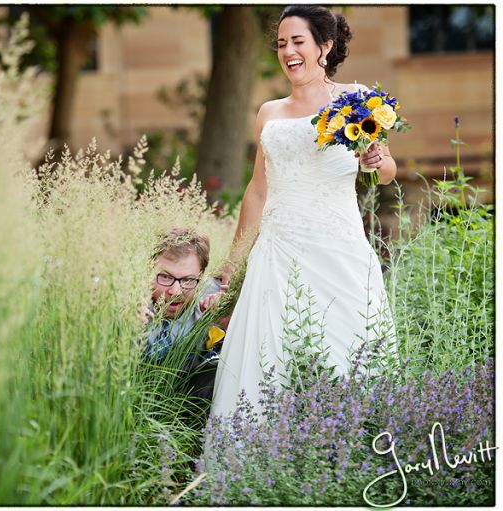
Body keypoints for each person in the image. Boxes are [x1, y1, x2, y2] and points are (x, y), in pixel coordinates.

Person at [210, 5, 397, 419]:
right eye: (281, 43)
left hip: (339, 252)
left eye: (298, 41)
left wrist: (375, 159)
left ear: (324, 46)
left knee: (349, 356)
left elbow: (387, 173)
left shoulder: (358, 99)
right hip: (276, 257)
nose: (288, 51)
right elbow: (258, 191)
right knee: (267, 364)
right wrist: (233, 261)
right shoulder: (268, 113)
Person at [141, 227, 229, 398]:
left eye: (188, 280)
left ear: (202, 277)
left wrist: (225, 316)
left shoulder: (216, 298)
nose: (175, 291)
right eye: (165, 277)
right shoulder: (127, 298)